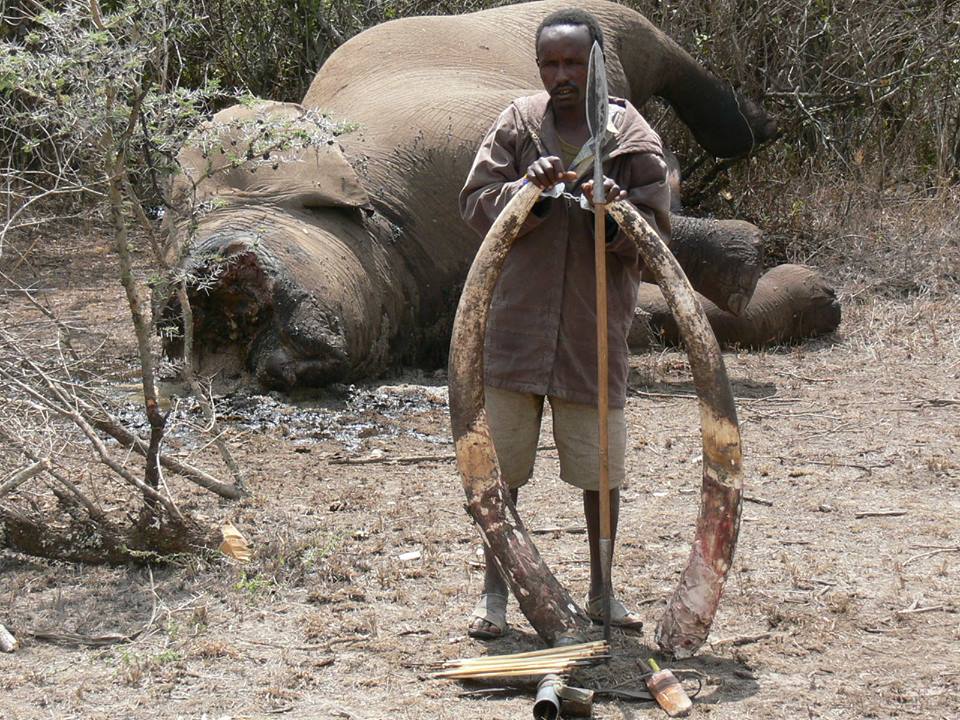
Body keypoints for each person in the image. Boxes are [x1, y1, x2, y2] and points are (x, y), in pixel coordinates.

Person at [458, 8, 672, 640]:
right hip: (513, 329)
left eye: (573, 63)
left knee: (599, 470)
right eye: (549, 63)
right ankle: (496, 596)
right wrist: (529, 193)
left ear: (597, 63)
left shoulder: (630, 137)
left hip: (590, 331)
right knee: (501, 474)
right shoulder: (518, 126)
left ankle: (603, 593)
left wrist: (614, 211)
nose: (560, 75)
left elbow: (658, 235)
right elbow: (474, 204)